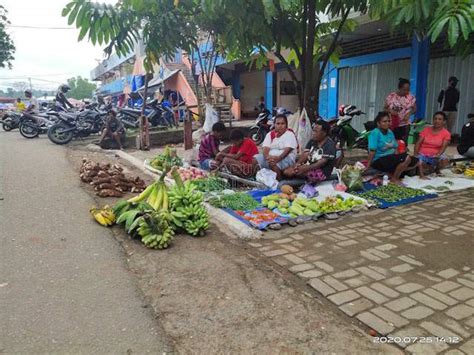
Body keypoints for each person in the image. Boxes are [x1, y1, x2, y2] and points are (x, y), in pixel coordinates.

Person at [367, 111, 418, 185]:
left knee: (415, 160)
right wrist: (368, 166)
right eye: (384, 121)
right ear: (378, 123)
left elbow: (395, 148)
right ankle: (394, 178)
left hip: (390, 159)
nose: (387, 123)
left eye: (388, 121)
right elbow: (372, 151)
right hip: (379, 160)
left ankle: (391, 174)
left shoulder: (390, 132)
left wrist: (397, 158)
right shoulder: (375, 133)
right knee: (406, 158)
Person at [254, 114, 298, 180]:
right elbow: (265, 149)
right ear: (274, 124)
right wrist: (268, 157)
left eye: (282, 123)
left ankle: (279, 182)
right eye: (278, 123)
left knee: (272, 163)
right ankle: (256, 178)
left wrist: (277, 158)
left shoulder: (290, 134)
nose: (280, 126)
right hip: (271, 157)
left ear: (286, 125)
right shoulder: (270, 134)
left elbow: (287, 150)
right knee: (255, 159)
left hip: (286, 158)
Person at [414, 111, 451, 178]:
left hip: (436, 155)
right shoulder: (426, 130)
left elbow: (443, 147)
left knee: (445, 160)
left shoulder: (446, 133)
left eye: (440, 119)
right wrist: (416, 154)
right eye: (435, 119)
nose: (437, 121)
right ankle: (427, 170)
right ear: (433, 120)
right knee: (419, 162)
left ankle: (436, 170)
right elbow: (418, 143)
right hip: (423, 154)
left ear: (444, 122)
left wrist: (438, 155)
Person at [384, 78, 416, 143]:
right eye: (404, 90)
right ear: (399, 88)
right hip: (392, 124)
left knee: (402, 144)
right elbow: (385, 108)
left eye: (408, 90)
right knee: (391, 143)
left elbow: (414, 109)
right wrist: (390, 111)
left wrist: (409, 114)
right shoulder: (392, 96)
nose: (406, 92)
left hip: (405, 125)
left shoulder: (411, 97)